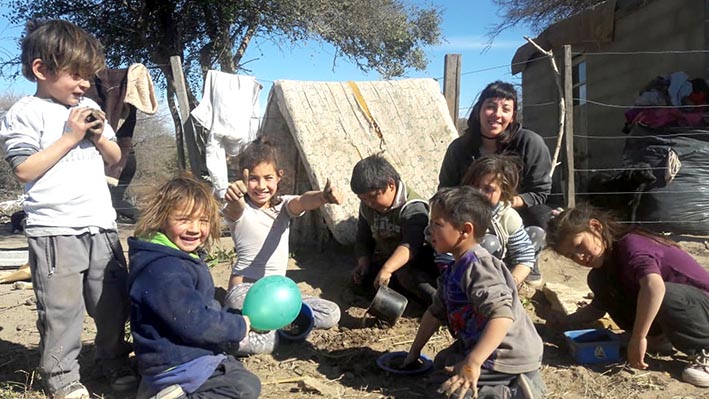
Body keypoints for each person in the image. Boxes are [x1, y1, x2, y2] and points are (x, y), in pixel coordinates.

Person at [0, 19, 136, 399]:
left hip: (101, 226)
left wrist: (96, 135)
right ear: (41, 70)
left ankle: (112, 361)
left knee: (111, 304)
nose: (83, 84)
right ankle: (60, 376)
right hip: (55, 231)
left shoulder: (88, 107)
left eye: (87, 76)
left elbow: (113, 159)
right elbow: (25, 168)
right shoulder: (24, 113)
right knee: (62, 311)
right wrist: (71, 137)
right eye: (76, 75)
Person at [403, 186, 545, 399]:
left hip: (507, 354)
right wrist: (413, 354)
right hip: (481, 345)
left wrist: (473, 362)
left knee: (446, 393)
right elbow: (435, 313)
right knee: (442, 365)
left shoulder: (479, 267)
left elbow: (502, 316)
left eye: (437, 224)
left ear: (465, 230)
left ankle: (514, 391)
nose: (428, 230)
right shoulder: (454, 269)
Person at [547, 204, 709, 388]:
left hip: (702, 308)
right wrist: (567, 320)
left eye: (579, 245)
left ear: (595, 227)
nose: (579, 257)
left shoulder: (632, 244)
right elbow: (599, 307)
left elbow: (653, 287)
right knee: (602, 283)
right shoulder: (603, 271)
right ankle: (658, 338)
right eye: (571, 256)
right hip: (678, 313)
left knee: (662, 294)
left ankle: (704, 350)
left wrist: (638, 338)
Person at [128, 175, 261, 399]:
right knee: (243, 388)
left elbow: (202, 306)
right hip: (174, 362)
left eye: (203, 221)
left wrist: (235, 317)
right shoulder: (164, 269)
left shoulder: (177, 258)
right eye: (184, 219)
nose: (194, 229)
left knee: (239, 373)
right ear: (162, 218)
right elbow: (194, 321)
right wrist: (237, 326)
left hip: (182, 355)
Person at [222, 139, 342, 352]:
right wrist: (235, 196)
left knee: (331, 312)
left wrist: (324, 197)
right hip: (246, 291)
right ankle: (255, 333)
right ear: (244, 177)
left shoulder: (283, 206)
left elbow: (304, 201)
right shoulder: (241, 210)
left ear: (279, 176)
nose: (261, 186)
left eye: (268, 178)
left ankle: (268, 330)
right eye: (254, 179)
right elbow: (235, 207)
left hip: (279, 292)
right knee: (243, 313)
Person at [438, 81, 553, 232]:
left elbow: (539, 192)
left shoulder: (530, 143)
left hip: (515, 211)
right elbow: (446, 189)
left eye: (506, 109)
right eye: (491, 107)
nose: (497, 114)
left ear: (512, 117)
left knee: (541, 216)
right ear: (479, 110)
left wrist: (504, 204)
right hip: (468, 212)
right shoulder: (459, 148)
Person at [349, 154, 438, 306]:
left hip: (419, 261)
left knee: (405, 274)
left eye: (372, 197)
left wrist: (388, 269)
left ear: (391, 185)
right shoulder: (367, 207)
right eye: (363, 199)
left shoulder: (413, 207)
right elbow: (363, 238)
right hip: (388, 258)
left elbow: (411, 244)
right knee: (360, 280)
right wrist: (363, 261)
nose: (369, 203)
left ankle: (440, 304)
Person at [461, 154, 545, 290]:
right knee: (488, 243)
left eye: (488, 189)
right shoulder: (457, 213)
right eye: (475, 186)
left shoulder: (507, 217)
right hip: (465, 271)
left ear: (503, 192)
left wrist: (512, 282)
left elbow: (524, 255)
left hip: (501, 264)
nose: (479, 193)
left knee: (535, 234)